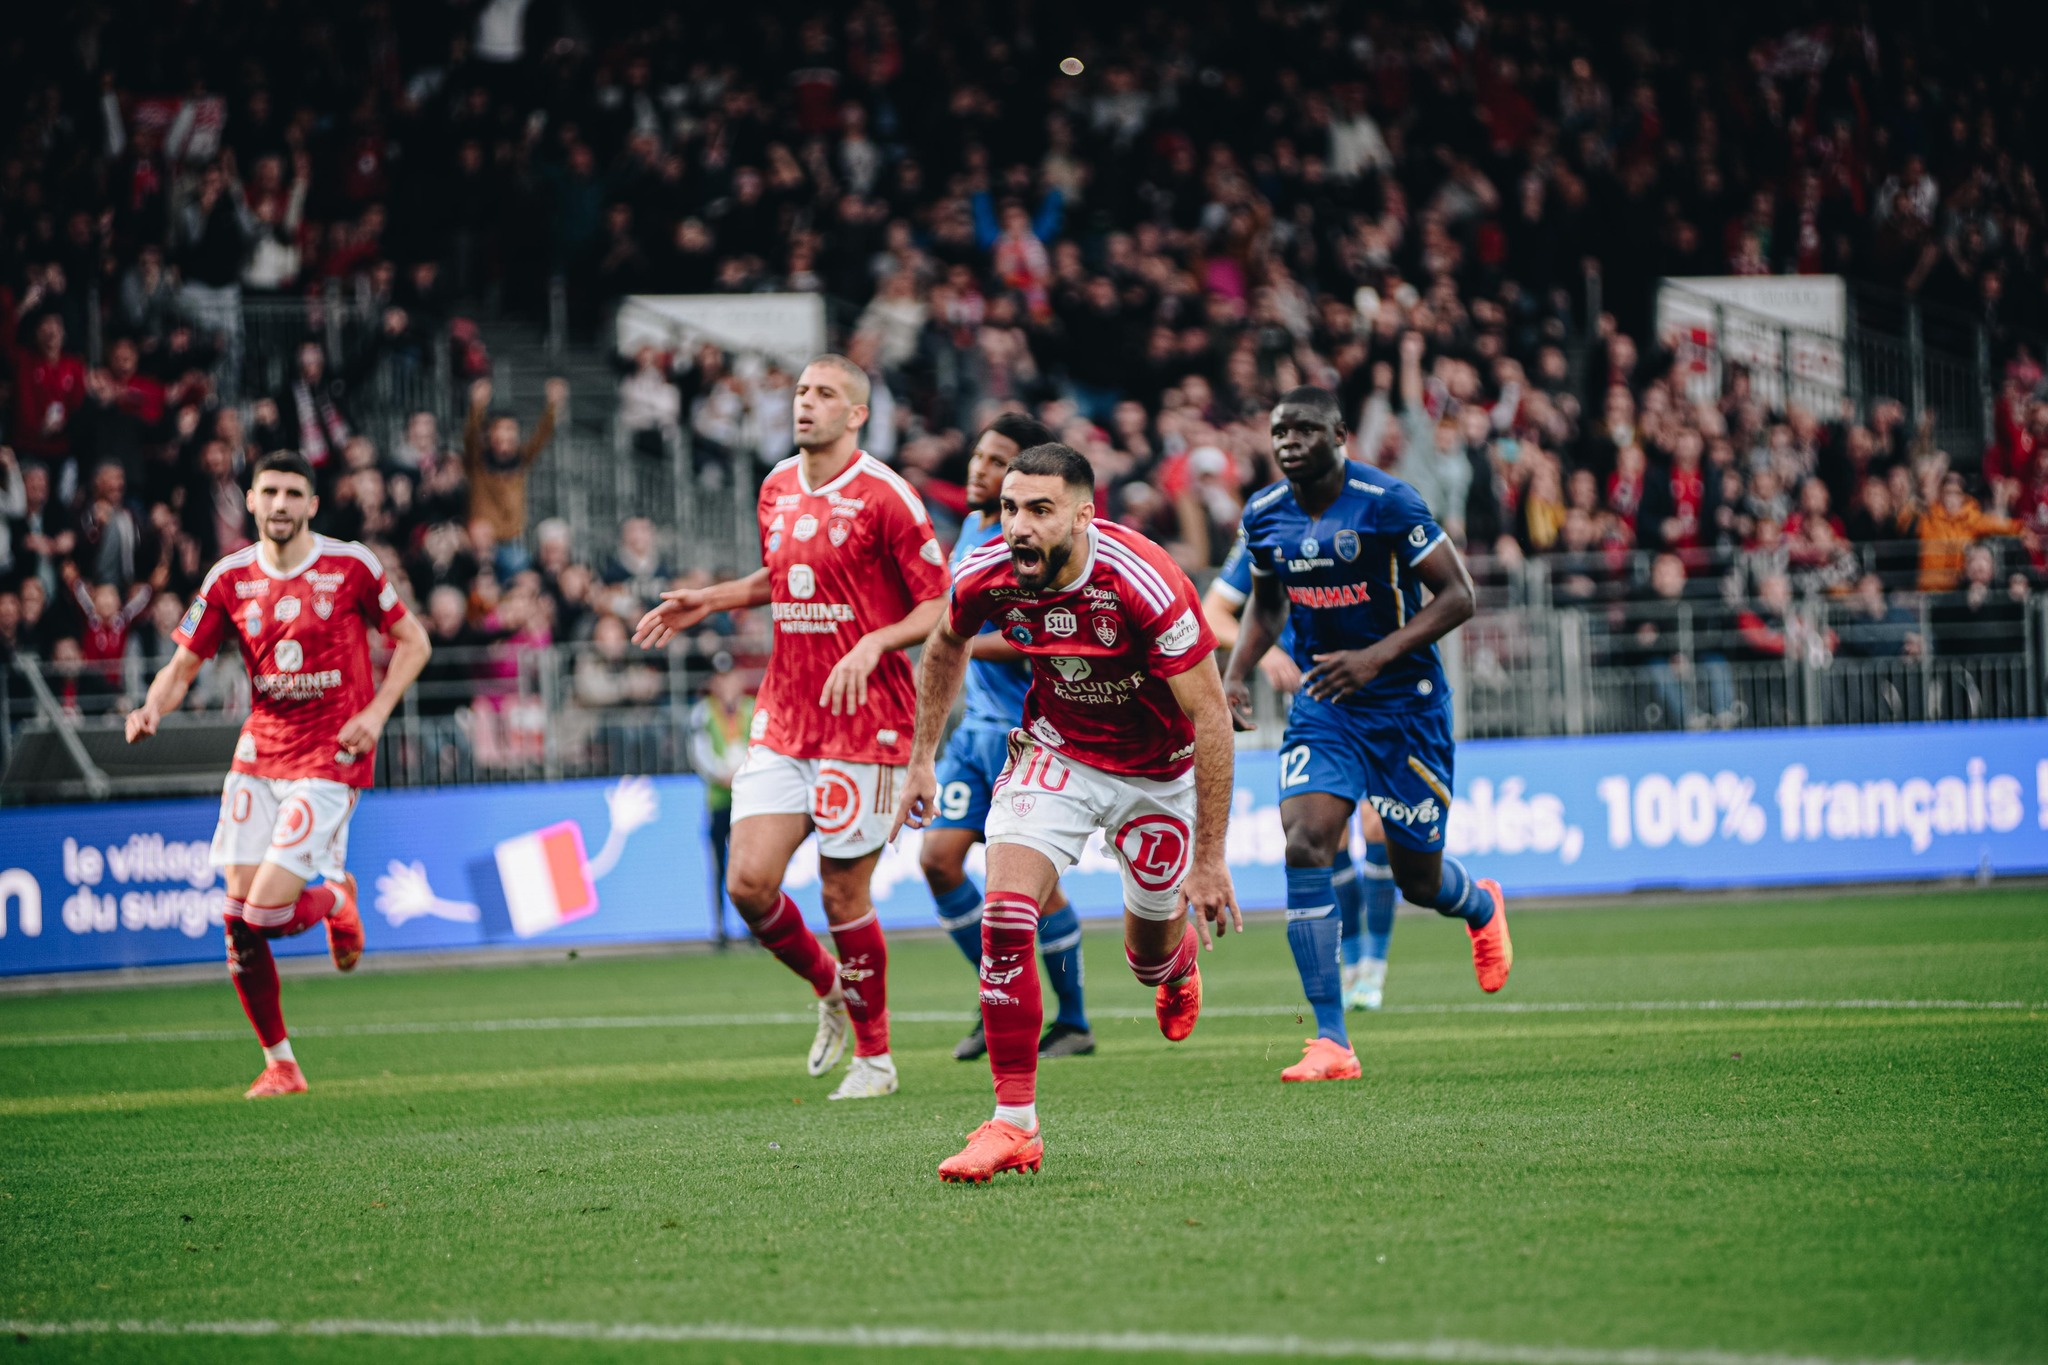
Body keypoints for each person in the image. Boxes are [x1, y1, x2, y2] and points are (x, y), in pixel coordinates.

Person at [892, 441, 1243, 1183]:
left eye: (1040, 510)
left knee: (1146, 959)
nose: (1018, 525)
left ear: (1084, 516)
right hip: (1058, 754)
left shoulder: (1143, 579)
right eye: (1012, 507)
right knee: (1006, 913)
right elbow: (946, 640)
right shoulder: (988, 567)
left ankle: (1174, 964)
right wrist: (922, 754)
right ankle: (1013, 1123)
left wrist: (1210, 859)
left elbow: (1211, 716)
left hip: (1157, 773)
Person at [635, 355, 950, 1101]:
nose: (805, 404)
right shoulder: (775, 485)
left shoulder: (889, 498)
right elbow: (780, 578)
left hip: (865, 725)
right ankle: (830, 987)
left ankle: (875, 1058)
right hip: (785, 716)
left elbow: (939, 604)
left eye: (824, 394)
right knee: (748, 883)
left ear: (857, 414)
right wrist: (712, 599)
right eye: (802, 392)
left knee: (843, 893)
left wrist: (876, 641)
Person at [1223, 388, 1512, 1085]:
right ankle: (1331, 1039)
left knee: (1418, 880)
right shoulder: (1264, 515)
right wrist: (1236, 672)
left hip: (1405, 707)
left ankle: (1479, 903)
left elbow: (1459, 594)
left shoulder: (1389, 502)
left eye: (1303, 429)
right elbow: (1266, 605)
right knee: (1305, 838)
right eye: (1278, 431)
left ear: (1340, 434)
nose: (1288, 441)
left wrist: (1376, 656)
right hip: (1326, 705)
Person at [126, 451, 432, 1098]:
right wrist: (152, 705)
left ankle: (337, 899)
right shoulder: (231, 576)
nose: (282, 503)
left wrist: (376, 714)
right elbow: (181, 667)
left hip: (332, 755)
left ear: (312, 503)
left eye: (295, 492)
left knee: (264, 912)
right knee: (236, 919)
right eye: (270, 491)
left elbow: (415, 642)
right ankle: (282, 1064)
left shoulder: (352, 565)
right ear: (252, 500)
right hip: (258, 754)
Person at [921, 414, 1095, 1063]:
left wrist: (957, 641)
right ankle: (995, 990)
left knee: (1034, 891)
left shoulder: (1039, 546)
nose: (978, 469)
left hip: (1022, 732)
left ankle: (1073, 1019)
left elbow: (1040, 634)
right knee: (938, 860)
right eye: (978, 456)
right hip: (973, 731)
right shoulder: (972, 529)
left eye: (996, 462)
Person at [1204, 528, 1398, 1011]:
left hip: (1383, 699)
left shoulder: (1369, 512)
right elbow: (1214, 612)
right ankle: (1352, 963)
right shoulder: (1268, 524)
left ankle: (1374, 965)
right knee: (1328, 840)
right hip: (1319, 707)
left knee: (1378, 827)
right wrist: (1265, 653)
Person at [688, 656, 754, 946]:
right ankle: (720, 929)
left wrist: (745, 774)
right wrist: (721, 775)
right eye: (721, 679)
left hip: (750, 801)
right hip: (720, 799)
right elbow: (699, 753)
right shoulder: (703, 713)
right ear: (714, 684)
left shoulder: (753, 710)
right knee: (720, 866)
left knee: (751, 867)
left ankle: (754, 927)